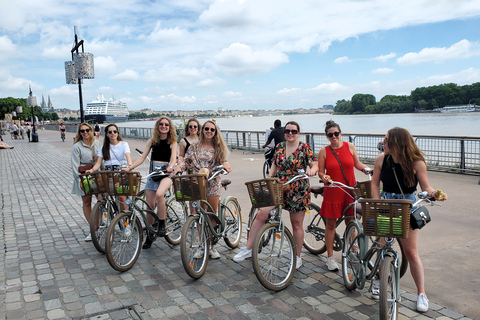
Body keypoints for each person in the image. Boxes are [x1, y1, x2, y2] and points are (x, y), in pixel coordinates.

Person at [371, 127, 447, 312]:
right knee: (381, 246)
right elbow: (374, 183)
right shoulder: (381, 159)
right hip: (386, 204)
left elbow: (426, 186)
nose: (383, 142)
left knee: (411, 253)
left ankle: (422, 293)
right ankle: (378, 280)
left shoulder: (416, 162)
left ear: (397, 142)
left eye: (387, 139)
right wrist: (375, 204)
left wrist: (434, 194)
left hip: (407, 205)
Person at [233, 121, 318, 268]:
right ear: (284, 132)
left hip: (298, 188)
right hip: (279, 186)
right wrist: (270, 177)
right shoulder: (280, 146)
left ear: (298, 133)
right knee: (261, 214)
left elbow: (314, 163)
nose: (290, 134)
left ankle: (297, 256)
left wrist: (313, 170)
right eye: (287, 131)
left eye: (293, 131)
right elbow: (275, 164)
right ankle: (248, 248)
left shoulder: (305, 148)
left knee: (296, 224)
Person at [173, 119, 232, 259]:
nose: (209, 132)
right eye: (206, 129)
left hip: (212, 182)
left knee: (211, 214)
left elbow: (224, 161)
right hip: (196, 183)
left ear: (215, 132)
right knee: (199, 214)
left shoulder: (218, 148)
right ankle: (202, 245)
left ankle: (211, 246)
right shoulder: (194, 147)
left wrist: (226, 166)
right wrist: (178, 168)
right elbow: (186, 161)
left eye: (212, 129)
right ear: (202, 130)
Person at [317, 120, 370, 271]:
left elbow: (357, 164)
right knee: (331, 224)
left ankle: (353, 250)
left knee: (351, 221)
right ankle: (330, 257)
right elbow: (321, 172)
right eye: (330, 134)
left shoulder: (349, 146)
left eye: (336, 133)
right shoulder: (324, 151)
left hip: (349, 190)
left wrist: (368, 170)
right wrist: (323, 177)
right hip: (333, 191)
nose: (333, 136)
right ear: (327, 136)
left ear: (340, 133)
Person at [125, 117, 178, 249]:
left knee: (160, 194)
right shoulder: (152, 141)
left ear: (169, 127)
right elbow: (142, 158)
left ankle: (162, 224)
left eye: (166, 124)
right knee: (149, 206)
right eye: (161, 124)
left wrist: (171, 167)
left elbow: (173, 158)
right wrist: (130, 167)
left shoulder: (172, 142)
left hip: (165, 173)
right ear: (157, 126)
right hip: (153, 173)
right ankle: (150, 234)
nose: (164, 126)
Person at [71, 123, 102, 241]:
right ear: (79, 133)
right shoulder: (77, 147)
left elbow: (101, 159)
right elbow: (74, 165)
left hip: (97, 174)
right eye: (82, 131)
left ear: (91, 130)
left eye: (87, 130)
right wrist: (78, 179)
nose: (85, 132)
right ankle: (93, 229)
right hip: (84, 176)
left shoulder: (97, 143)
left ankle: (100, 221)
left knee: (101, 198)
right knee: (87, 202)